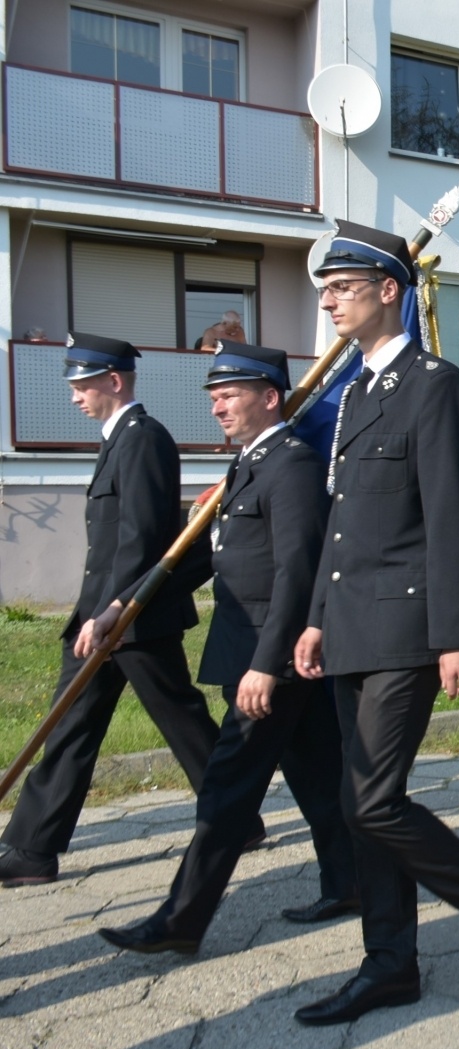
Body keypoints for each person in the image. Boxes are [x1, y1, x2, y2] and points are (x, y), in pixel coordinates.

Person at [292, 220, 459, 1024]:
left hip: (410, 628)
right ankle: (389, 963)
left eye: (344, 287)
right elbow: (342, 523)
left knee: (371, 802)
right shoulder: (353, 392)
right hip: (351, 626)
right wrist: (318, 617)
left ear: (391, 291)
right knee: (363, 803)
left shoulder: (435, 385)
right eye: (325, 290)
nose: (328, 301)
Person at [95, 342, 358, 955]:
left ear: (269, 398)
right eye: (212, 397)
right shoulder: (250, 465)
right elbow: (202, 562)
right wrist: (121, 604)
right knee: (320, 777)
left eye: (229, 395)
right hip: (268, 655)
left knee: (226, 789)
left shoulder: (289, 465)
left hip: (272, 660)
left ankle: (181, 920)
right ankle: (351, 884)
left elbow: (298, 572)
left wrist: (265, 666)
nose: (217, 407)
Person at [0, 333, 255, 887]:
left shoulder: (143, 440)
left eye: (82, 386)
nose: (74, 398)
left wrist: (112, 611)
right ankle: (31, 849)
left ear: (113, 381)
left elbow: (140, 538)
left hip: (130, 619)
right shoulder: (121, 440)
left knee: (180, 720)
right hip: (107, 617)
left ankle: (237, 815)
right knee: (73, 724)